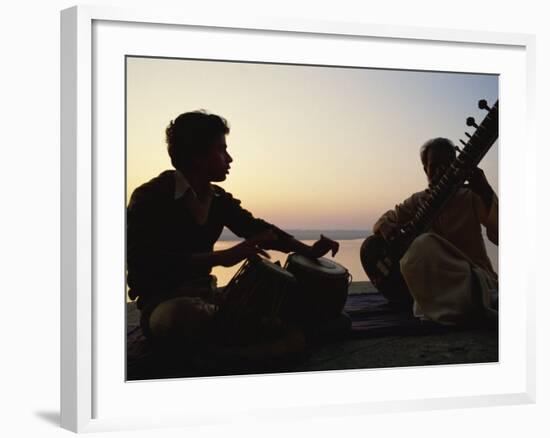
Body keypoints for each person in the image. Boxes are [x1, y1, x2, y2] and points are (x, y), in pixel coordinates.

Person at [127, 110, 339, 347]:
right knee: (180, 317)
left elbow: (258, 229)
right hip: (165, 303)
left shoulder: (217, 198)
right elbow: (144, 262)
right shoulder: (150, 196)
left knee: (328, 318)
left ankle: (234, 341)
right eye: (221, 149)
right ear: (197, 155)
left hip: (210, 297)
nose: (229, 158)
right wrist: (221, 258)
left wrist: (309, 251)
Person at [369, 137, 498, 326]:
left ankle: (478, 297)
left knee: (423, 244)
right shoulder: (418, 201)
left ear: (455, 165)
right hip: (432, 282)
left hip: (470, 276)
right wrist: (386, 228)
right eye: (434, 165)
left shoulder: (471, 195)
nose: (439, 171)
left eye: (446, 165)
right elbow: (382, 221)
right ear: (425, 169)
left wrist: (486, 191)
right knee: (383, 246)